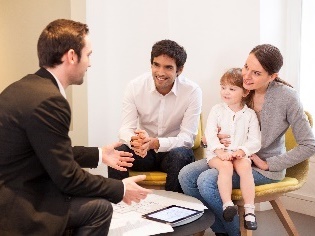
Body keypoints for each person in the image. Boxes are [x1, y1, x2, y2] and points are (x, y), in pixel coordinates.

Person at [0, 19, 151, 236]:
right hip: (19, 208)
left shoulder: (24, 87)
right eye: (88, 54)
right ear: (72, 56)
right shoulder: (49, 101)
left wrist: (99, 154)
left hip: (12, 192)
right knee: (100, 208)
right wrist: (120, 188)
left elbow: (48, 150)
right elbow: (68, 178)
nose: (89, 63)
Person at [178, 44, 315, 236]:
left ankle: (233, 233)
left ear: (272, 76)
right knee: (186, 175)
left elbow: (310, 144)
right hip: (229, 156)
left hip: (261, 167)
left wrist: (270, 163)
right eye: (246, 67)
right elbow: (219, 125)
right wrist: (213, 139)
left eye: (256, 73)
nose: (247, 75)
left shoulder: (286, 97)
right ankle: (222, 229)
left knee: (207, 180)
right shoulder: (243, 87)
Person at [108, 39, 202, 193]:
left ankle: (173, 210)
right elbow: (125, 129)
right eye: (156, 65)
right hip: (144, 153)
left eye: (168, 67)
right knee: (118, 153)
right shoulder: (135, 87)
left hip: (172, 152)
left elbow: (187, 139)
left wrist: (155, 143)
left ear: (180, 69)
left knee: (181, 155)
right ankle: (120, 208)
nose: (160, 72)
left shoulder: (192, 91)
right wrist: (135, 140)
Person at [205, 68, 261, 230]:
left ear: (244, 92)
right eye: (223, 87)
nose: (226, 92)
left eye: (231, 89)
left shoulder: (250, 114)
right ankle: (227, 204)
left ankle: (250, 210)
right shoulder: (217, 110)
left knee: (245, 166)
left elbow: (255, 140)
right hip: (217, 154)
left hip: (239, 153)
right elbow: (210, 134)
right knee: (226, 167)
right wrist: (219, 151)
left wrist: (242, 151)